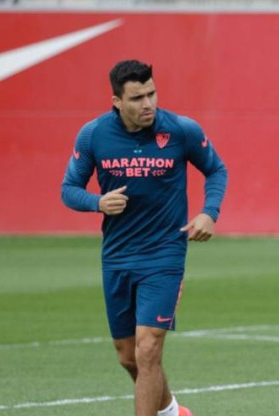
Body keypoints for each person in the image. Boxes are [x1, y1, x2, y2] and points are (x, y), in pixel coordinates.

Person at [61, 60, 228, 416]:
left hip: (164, 255)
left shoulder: (182, 130)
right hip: (118, 256)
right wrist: (98, 202)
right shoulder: (93, 135)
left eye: (151, 93)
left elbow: (216, 169)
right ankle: (171, 411)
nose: (148, 103)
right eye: (137, 97)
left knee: (148, 348)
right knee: (127, 355)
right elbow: (69, 189)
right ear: (117, 101)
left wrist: (208, 212)